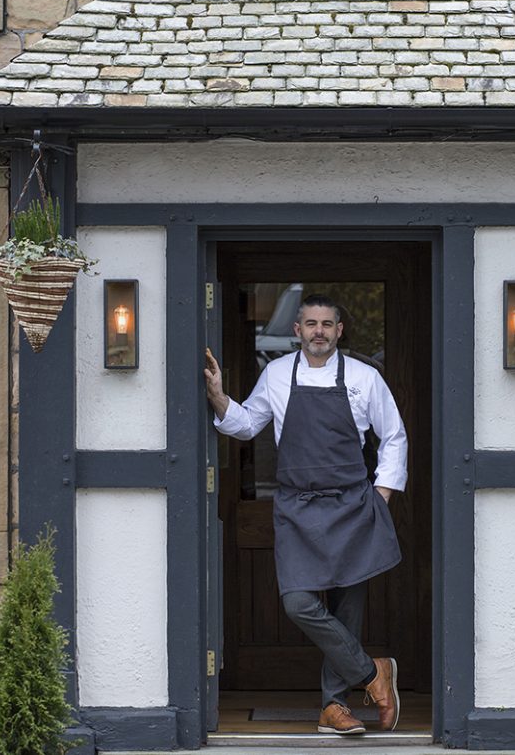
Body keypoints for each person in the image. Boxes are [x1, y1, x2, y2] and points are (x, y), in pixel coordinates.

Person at [204, 293, 407, 736]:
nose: (319, 331)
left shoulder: (364, 377)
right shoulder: (277, 374)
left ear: (339, 330)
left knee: (347, 609)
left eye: (327, 324)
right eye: (311, 324)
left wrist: (382, 496)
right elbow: (248, 425)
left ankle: (334, 707)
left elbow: (394, 436)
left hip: (352, 507)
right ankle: (372, 672)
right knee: (298, 603)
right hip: (297, 508)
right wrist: (218, 397)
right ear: (297, 330)